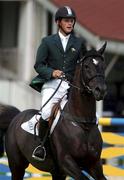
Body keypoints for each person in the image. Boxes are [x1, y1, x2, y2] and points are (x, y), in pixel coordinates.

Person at [30, 6, 86, 161]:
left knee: (87, 113)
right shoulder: (47, 42)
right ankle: (42, 146)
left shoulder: (79, 43)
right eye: (67, 21)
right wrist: (52, 72)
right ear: (58, 22)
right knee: (47, 112)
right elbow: (38, 65)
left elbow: (83, 65)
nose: (70, 23)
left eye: (72, 21)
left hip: (72, 87)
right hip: (52, 84)